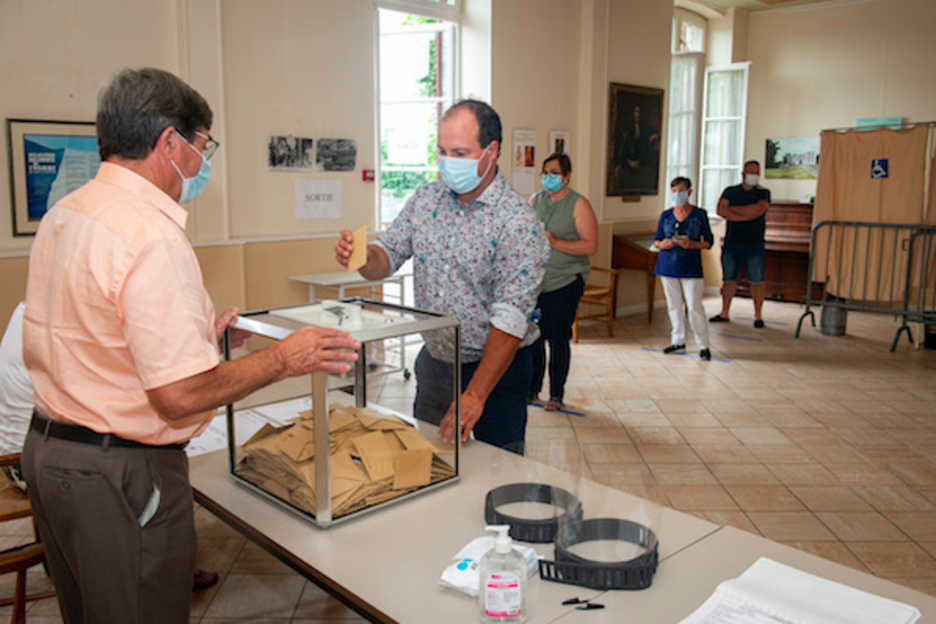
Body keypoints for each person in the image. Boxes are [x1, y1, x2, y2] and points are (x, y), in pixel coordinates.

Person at [22, 67, 360, 624]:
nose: (204, 162)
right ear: (170, 143)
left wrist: (208, 340)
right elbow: (178, 397)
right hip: (119, 474)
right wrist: (283, 358)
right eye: (204, 145)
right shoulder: (150, 234)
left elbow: (97, 336)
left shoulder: (69, 211)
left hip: (51, 456)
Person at [335, 99, 549, 454]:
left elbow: (511, 319)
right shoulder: (426, 200)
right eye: (443, 151)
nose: (448, 162)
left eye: (461, 152)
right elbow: (385, 257)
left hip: (496, 369)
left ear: (491, 151)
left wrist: (475, 394)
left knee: (497, 470)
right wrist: (359, 256)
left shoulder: (517, 222)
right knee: (430, 462)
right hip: (437, 361)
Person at [0, 301, 221, 590]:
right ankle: (162, 572)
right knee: (150, 467)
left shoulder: (37, 308)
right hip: (30, 459)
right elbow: (131, 393)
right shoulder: (62, 321)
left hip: (28, 449)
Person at [528, 153, 598, 411]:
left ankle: (556, 394)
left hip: (565, 281)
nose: (549, 178)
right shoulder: (536, 200)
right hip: (537, 282)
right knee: (533, 338)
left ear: (567, 176)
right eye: (545, 172)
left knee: (556, 338)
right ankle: (532, 389)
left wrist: (556, 242)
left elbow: (590, 245)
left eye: (555, 173)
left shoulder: (578, 204)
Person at [653, 177, 713, 361]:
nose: (676, 195)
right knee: (673, 305)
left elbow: (708, 242)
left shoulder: (699, 215)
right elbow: (657, 240)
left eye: (680, 190)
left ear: (689, 192)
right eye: (673, 191)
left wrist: (691, 244)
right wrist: (663, 244)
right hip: (667, 265)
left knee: (694, 306)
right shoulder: (666, 215)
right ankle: (677, 340)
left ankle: (703, 344)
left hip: (690, 267)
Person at [710, 160, 772, 327]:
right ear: (743, 173)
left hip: (755, 243)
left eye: (757, 172)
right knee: (728, 279)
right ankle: (724, 312)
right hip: (732, 242)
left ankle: (758, 316)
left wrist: (734, 211)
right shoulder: (731, 191)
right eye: (751, 172)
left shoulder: (763, 193)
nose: (754, 175)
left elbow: (758, 210)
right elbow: (721, 210)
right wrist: (746, 213)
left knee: (757, 280)